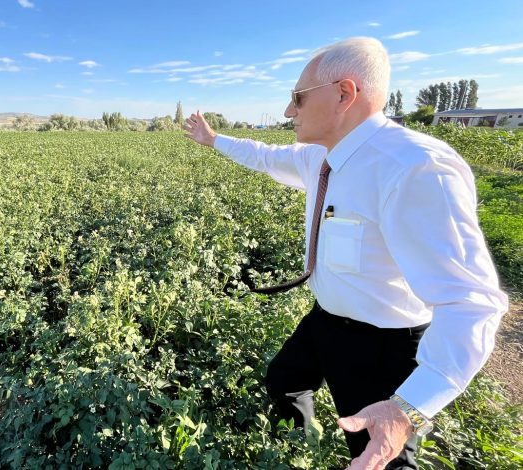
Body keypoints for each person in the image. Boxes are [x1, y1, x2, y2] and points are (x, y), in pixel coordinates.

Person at [183, 37, 508, 470]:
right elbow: (263, 155)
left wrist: (407, 408)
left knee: (380, 457)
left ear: (344, 94)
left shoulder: (413, 167)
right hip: (327, 320)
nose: (287, 111)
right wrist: (212, 139)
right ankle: (305, 446)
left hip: (385, 345)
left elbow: (471, 301)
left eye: (297, 97)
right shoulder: (321, 156)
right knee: (284, 380)